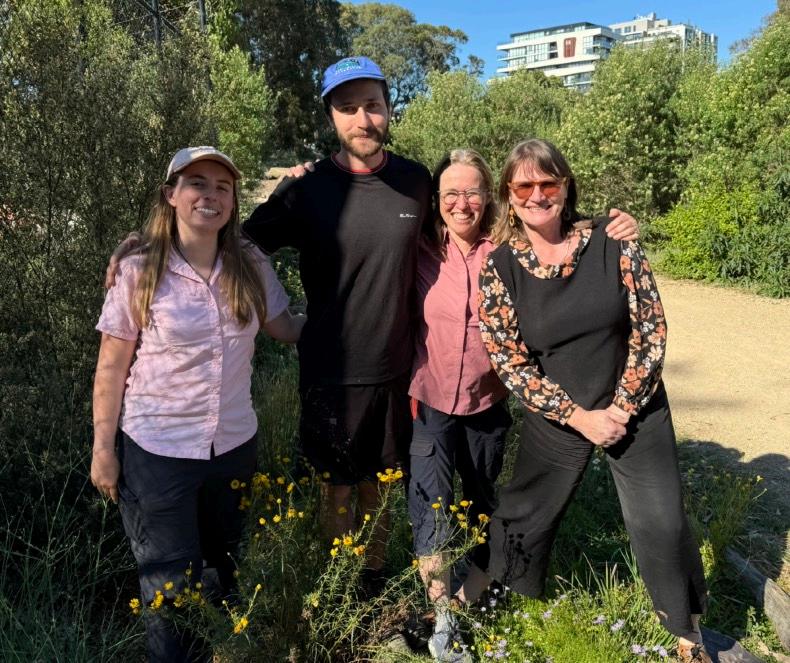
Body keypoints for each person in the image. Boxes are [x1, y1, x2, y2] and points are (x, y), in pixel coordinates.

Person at [449, 139, 709, 663]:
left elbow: (651, 330)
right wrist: (578, 416)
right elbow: (509, 361)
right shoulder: (501, 267)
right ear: (509, 195)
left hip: (635, 407)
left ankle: (688, 635)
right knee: (521, 513)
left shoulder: (614, 241)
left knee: (662, 522)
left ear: (566, 187)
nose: (537, 195)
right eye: (525, 185)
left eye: (548, 183)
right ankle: (474, 603)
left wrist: (622, 408)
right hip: (560, 412)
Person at [407, 148, 638, 662]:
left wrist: (611, 224)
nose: (461, 203)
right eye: (450, 194)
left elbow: (563, 233)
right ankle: (443, 620)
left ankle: (477, 592)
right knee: (430, 511)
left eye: (472, 192)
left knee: (484, 503)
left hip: (488, 404)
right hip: (430, 402)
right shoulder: (418, 249)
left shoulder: (509, 250)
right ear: (436, 200)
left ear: (488, 197)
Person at [91, 146, 304, 662]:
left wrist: (349, 309)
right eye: (197, 184)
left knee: (225, 571)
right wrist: (103, 448)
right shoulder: (139, 269)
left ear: (232, 200)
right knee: (169, 585)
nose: (210, 196)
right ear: (171, 195)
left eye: (222, 187)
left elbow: (284, 328)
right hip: (158, 453)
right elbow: (111, 368)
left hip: (232, 447)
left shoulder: (249, 264)